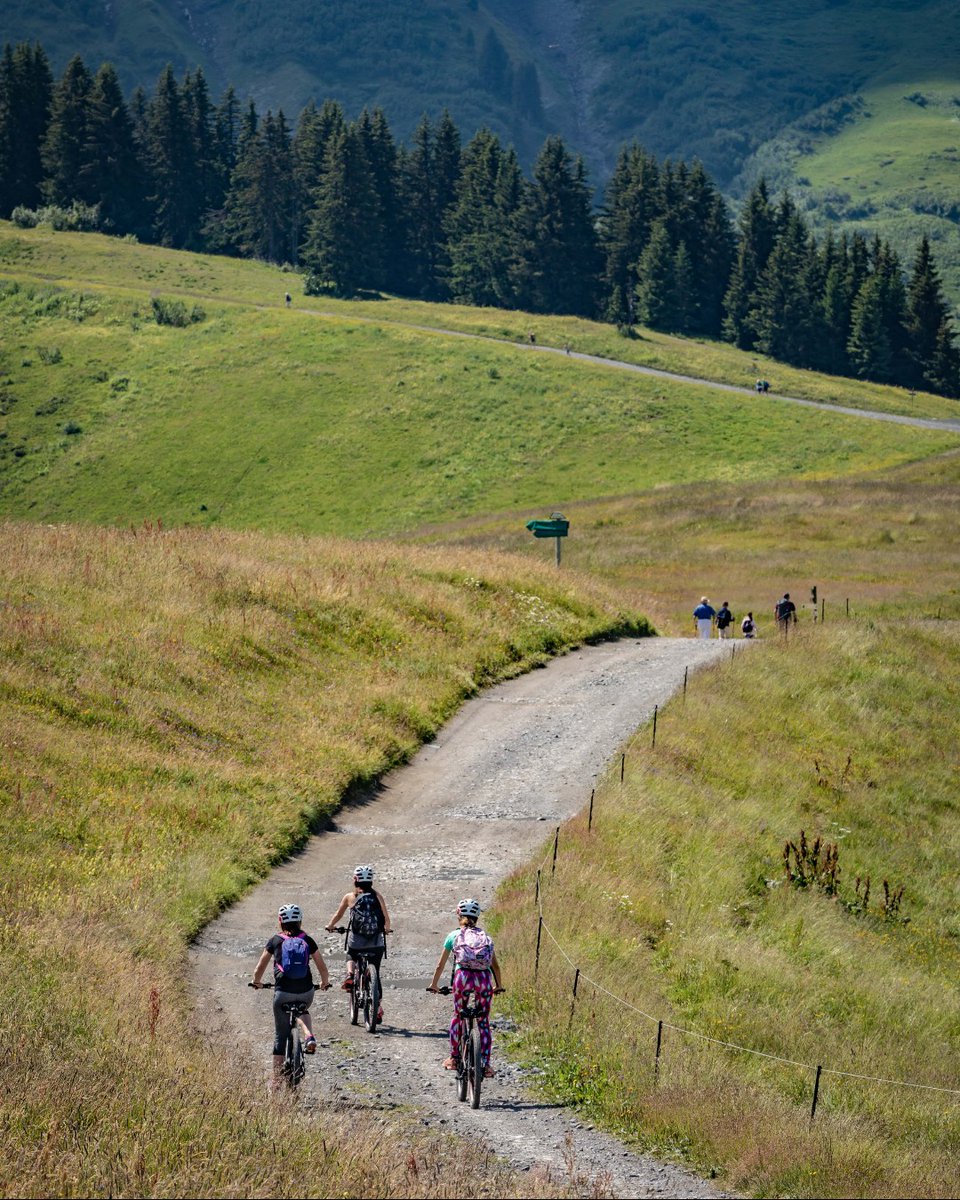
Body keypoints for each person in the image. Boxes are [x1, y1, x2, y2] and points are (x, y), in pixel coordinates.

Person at [251, 903, 331, 1090]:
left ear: (280, 922)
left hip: (282, 993)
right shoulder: (308, 940)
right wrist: (324, 983)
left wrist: (257, 981)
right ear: (300, 921)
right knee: (303, 1008)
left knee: (281, 1035)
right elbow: (322, 966)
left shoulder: (275, 941)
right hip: (306, 991)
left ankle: (276, 1081)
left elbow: (260, 967)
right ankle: (309, 1035)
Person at [427, 898, 504, 1078]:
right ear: (477, 917)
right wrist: (499, 985)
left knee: (458, 1015)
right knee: (483, 1020)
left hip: (462, 979)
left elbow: (440, 964)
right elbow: (496, 967)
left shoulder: (454, 936)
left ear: (458, 915)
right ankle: (485, 1064)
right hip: (484, 979)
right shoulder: (486, 938)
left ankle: (454, 1058)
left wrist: (434, 985)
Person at [326, 866, 392, 1002]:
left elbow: (338, 914)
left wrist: (330, 926)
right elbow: (386, 918)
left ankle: (350, 975)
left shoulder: (350, 897)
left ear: (355, 880)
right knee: (376, 974)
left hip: (357, 943)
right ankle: (377, 1007)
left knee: (351, 954)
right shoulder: (377, 896)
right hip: (376, 943)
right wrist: (387, 929)